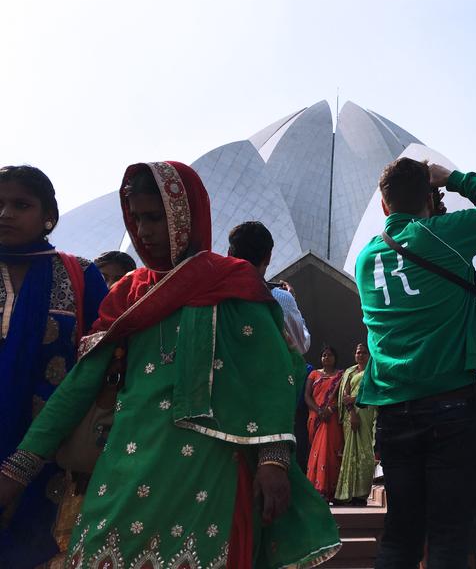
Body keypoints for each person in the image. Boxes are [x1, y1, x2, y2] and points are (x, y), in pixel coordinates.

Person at [0, 161, 339, 567]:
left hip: (207, 465)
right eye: (138, 219)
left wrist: (273, 461)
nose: (144, 232)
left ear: (186, 214)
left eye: (156, 218)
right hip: (127, 460)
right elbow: (81, 383)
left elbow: (269, 375)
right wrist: (21, 466)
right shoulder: (129, 293)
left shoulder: (231, 284)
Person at [354, 157, 476, 568]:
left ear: (383, 205)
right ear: (430, 198)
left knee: (401, 535)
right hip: (450, 404)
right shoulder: (443, 235)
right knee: (450, 534)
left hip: (393, 411)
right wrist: (454, 179)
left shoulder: (365, 259)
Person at [0, 165, 108, 568]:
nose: (5, 214)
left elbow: (104, 358)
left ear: (48, 215)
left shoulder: (79, 274)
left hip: (52, 453)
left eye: (20, 204)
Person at [228, 221, 311, 353]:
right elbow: (300, 345)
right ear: (268, 257)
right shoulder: (280, 298)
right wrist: (292, 301)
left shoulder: (211, 294)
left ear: (229, 253)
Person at [335, 343, 376, 506]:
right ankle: (348, 493)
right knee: (350, 452)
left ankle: (362, 493)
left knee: (365, 451)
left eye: (364, 353)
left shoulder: (373, 370)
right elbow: (345, 395)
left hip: (367, 411)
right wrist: (352, 411)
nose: (361, 355)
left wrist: (356, 399)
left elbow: (373, 390)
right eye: (358, 352)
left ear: (369, 354)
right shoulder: (349, 372)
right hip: (351, 413)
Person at [304, 345, 344, 502]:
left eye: (329, 355)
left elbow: (341, 397)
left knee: (331, 451)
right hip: (317, 417)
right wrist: (319, 411)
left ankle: (332, 490)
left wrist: (331, 409)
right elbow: (307, 397)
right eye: (324, 355)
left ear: (335, 358)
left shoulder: (341, 376)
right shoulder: (314, 374)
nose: (326, 358)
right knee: (317, 450)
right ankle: (317, 488)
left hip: (332, 417)